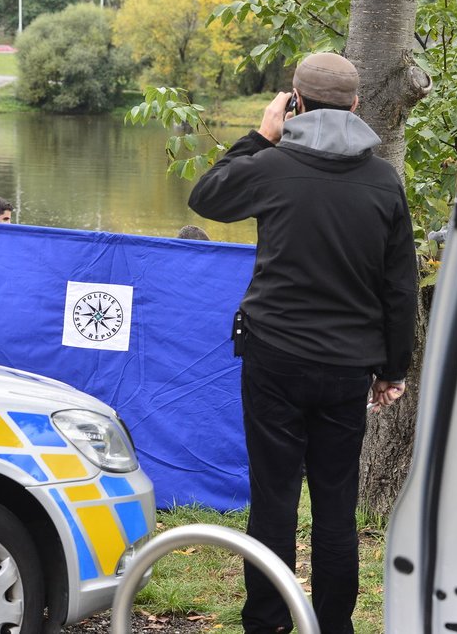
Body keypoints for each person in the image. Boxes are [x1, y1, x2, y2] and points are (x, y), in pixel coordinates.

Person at [187, 52, 417, 634]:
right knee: (337, 508)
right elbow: (399, 284)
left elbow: (207, 197)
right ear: (357, 105)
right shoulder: (385, 181)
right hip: (347, 368)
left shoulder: (272, 167)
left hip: (274, 359)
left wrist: (260, 137)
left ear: (295, 102)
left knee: (275, 501)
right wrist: (393, 368)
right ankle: (332, 626)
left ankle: (268, 623)